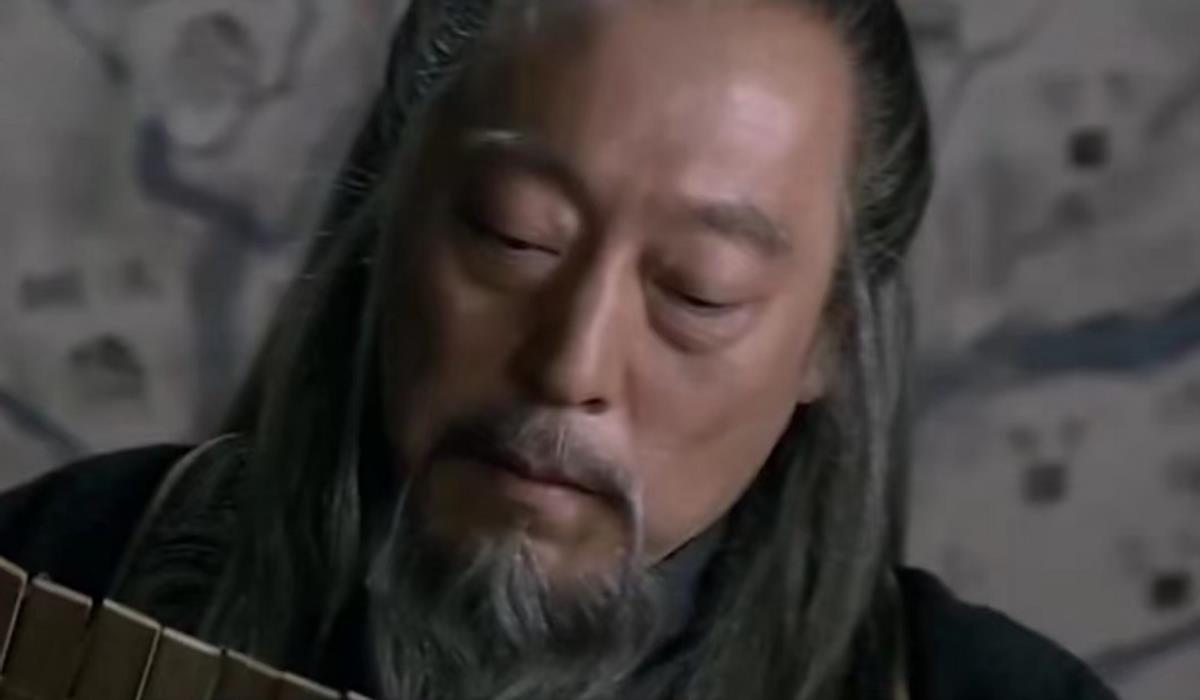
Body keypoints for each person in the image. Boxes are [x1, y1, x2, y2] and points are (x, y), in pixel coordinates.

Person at [0, 1, 1118, 699]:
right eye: (513, 236)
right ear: (392, 219)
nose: (571, 366)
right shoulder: (64, 565)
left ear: (824, 345)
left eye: (699, 290)